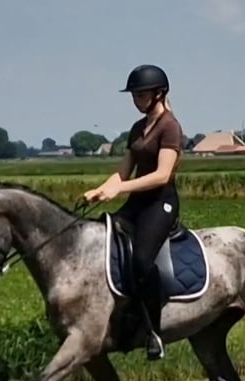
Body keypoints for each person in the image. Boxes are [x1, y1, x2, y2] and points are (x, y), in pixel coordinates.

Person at [84, 64, 184, 361]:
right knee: (104, 242)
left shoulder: (170, 127)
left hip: (160, 203)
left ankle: (154, 331)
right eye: (134, 94)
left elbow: (162, 175)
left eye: (141, 93)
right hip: (138, 203)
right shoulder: (138, 128)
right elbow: (122, 172)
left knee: (141, 260)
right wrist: (100, 190)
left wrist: (122, 188)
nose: (136, 99)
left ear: (158, 93)